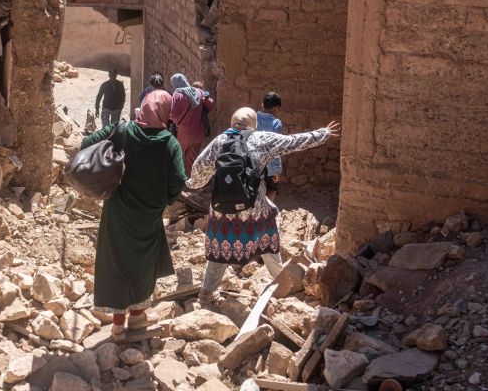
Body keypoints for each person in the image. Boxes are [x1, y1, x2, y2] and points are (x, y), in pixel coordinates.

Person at [186, 108, 340, 305]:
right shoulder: (262, 139)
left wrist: (188, 184)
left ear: (232, 123)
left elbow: (198, 175)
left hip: (222, 211)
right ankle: (283, 284)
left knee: (218, 252)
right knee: (268, 245)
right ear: (254, 123)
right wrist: (322, 134)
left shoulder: (219, 142)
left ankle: (207, 293)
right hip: (255, 210)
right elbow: (293, 142)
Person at [81, 90, 187, 341]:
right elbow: (178, 179)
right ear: (165, 111)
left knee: (116, 261)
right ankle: (137, 316)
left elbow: (86, 144)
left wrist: (110, 162)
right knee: (143, 262)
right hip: (149, 213)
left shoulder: (123, 130)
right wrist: (166, 200)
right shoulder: (169, 142)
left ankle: (118, 324)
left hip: (118, 209)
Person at [169, 73, 214, 176]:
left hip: (183, 134)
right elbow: (211, 104)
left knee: (179, 157)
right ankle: (193, 182)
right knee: (193, 159)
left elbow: (173, 115)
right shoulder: (199, 92)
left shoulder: (177, 94)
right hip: (198, 132)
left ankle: (180, 181)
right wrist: (202, 112)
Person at [257, 92, 284, 201]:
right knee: (272, 189)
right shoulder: (276, 123)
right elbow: (275, 147)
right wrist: (276, 170)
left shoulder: (254, 118)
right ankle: (267, 214)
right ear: (276, 108)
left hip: (255, 163)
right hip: (269, 165)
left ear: (262, 105)